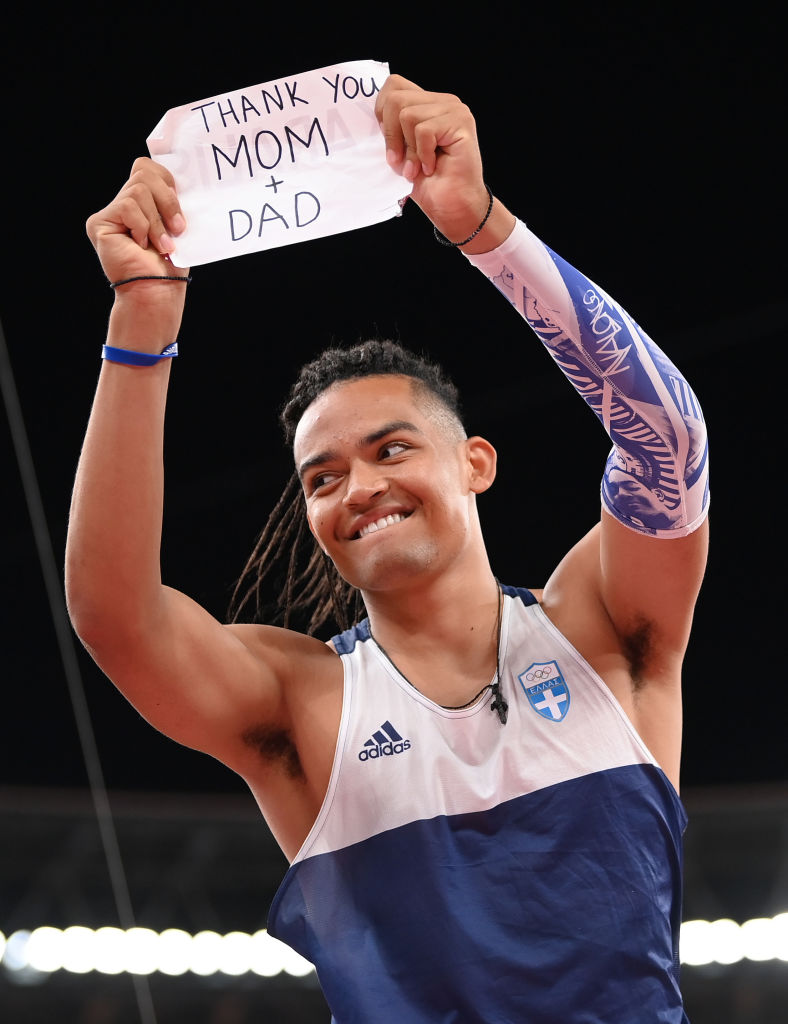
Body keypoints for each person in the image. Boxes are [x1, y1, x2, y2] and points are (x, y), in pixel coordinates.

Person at [67, 74, 709, 1023]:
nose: (358, 487)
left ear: (476, 464)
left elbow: (669, 441)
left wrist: (484, 228)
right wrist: (142, 324)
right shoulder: (301, 703)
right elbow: (115, 615)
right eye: (321, 479)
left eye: (391, 449)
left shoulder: (605, 631)